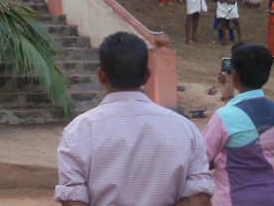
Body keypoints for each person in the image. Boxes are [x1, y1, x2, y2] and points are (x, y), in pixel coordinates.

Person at [55, 32, 214, 206]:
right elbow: (199, 198)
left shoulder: (79, 131)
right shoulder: (185, 129)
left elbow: (73, 200)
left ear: (101, 75)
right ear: (147, 75)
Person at [203, 44, 274, 206]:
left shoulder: (224, 116)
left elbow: (202, 159)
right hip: (271, 197)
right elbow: (250, 143)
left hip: (233, 198)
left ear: (234, 75)